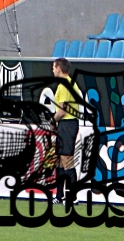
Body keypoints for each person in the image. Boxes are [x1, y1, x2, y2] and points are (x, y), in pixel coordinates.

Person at [50, 57, 82, 203]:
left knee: (66, 160)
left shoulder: (64, 85)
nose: (52, 70)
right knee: (60, 162)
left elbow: (62, 110)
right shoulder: (71, 83)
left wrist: (52, 121)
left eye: (53, 67)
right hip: (67, 124)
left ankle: (72, 196)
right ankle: (59, 196)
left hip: (67, 124)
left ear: (58, 68)